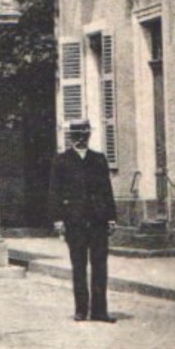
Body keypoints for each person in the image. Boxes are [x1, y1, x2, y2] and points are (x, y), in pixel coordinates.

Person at [48, 120, 117, 323]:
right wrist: (58, 219)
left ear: (89, 136)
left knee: (100, 266)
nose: (80, 138)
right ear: (71, 137)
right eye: (76, 135)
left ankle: (99, 311)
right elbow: (54, 192)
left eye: (84, 134)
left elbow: (106, 190)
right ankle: (81, 310)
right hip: (74, 221)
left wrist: (111, 217)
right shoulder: (61, 160)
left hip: (98, 221)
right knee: (78, 266)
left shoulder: (98, 159)